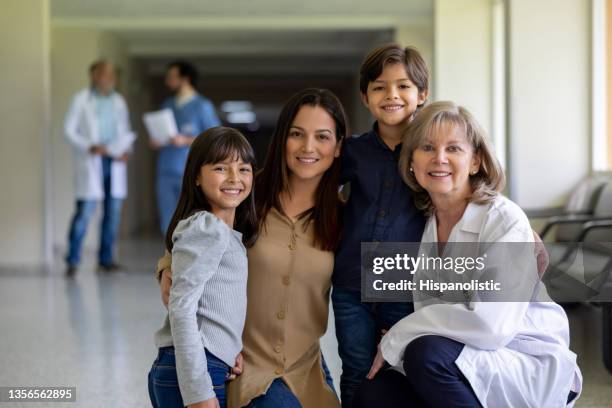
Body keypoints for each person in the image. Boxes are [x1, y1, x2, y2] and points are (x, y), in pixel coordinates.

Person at [354, 101, 582, 407]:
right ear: (411, 161)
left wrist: (402, 331)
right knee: (373, 394)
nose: (439, 158)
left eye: (454, 149)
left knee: (425, 353)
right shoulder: (422, 222)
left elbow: (491, 326)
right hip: (458, 359)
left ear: (475, 161)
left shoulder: (503, 219)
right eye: (427, 147)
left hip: (521, 357)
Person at [157, 88, 347, 407]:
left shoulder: (343, 215)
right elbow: (193, 232)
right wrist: (164, 267)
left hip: (305, 365)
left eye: (323, 137)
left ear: (338, 146)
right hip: (242, 366)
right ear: (282, 139)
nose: (308, 147)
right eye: (296, 134)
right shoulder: (245, 196)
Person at [331, 43, 429, 407]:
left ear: (422, 95)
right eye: (379, 87)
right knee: (356, 367)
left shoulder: (431, 151)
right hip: (351, 286)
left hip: (405, 285)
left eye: (403, 86)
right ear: (365, 96)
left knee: (402, 367)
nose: (392, 95)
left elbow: (471, 189)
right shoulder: (351, 151)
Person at [148, 127, 257, 408]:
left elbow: (215, 306)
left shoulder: (224, 232)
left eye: (244, 169)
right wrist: (198, 391)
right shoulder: (207, 228)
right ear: (196, 176)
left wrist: (228, 347)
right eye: (221, 168)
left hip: (206, 362)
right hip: (192, 371)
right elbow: (182, 308)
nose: (235, 178)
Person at [64, 60, 135, 276]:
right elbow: (68, 131)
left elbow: (126, 130)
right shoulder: (81, 100)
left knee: (112, 214)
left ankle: (106, 260)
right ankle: (72, 261)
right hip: (92, 160)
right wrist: (89, 146)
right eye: (105, 73)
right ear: (94, 75)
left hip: (114, 161)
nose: (110, 77)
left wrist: (126, 151)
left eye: (112, 74)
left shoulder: (118, 101)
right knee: (84, 213)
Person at [151, 60, 222, 235]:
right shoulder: (167, 104)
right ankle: (170, 259)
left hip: (189, 170)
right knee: (168, 218)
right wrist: (157, 141)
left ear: (186, 78)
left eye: (172, 77)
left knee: (190, 217)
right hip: (166, 168)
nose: (167, 81)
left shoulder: (202, 106)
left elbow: (215, 137)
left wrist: (185, 140)